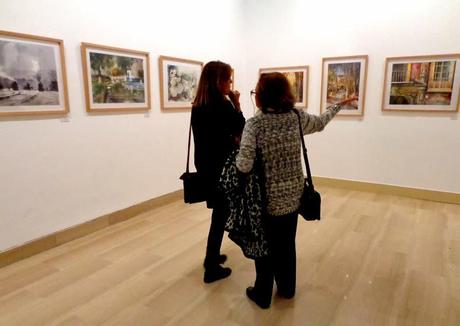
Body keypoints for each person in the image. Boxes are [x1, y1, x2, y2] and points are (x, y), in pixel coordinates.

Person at [236, 72, 355, 308]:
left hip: (267, 201)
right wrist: (339, 105)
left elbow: (244, 164)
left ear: (261, 96)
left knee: (265, 247)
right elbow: (320, 123)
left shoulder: (255, 124)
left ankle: (262, 293)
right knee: (287, 244)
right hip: (294, 196)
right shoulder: (296, 117)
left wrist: (240, 148)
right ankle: (287, 289)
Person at [191, 61, 245, 283]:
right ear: (218, 81)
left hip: (205, 167)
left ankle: (210, 257)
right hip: (222, 170)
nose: (230, 84)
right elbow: (241, 127)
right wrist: (237, 103)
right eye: (228, 79)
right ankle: (211, 266)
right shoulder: (222, 105)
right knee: (220, 215)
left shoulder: (198, 105)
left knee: (219, 214)